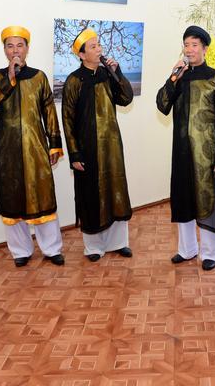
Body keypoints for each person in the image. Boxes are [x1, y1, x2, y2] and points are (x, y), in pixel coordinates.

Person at [0, 26, 65, 267]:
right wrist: (9, 78)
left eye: (20, 45)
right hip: (8, 151)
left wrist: (54, 145)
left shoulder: (39, 77)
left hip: (36, 149)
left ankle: (52, 249)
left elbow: (49, 112)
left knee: (43, 198)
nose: (15, 50)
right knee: (12, 200)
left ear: (27, 48)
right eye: (10, 46)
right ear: (5, 50)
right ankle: (20, 251)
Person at [156, 25, 215, 271]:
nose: (189, 50)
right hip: (181, 150)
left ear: (205, 49)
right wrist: (173, 78)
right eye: (186, 45)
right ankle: (187, 249)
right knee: (183, 198)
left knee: (207, 199)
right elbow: (162, 105)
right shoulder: (179, 78)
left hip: (207, 153)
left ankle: (211, 252)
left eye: (194, 45)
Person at [61, 27, 134, 262]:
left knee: (115, 192)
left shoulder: (107, 74)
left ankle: (119, 243)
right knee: (90, 194)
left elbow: (126, 98)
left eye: (99, 44)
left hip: (111, 147)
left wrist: (117, 72)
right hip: (87, 150)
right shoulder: (74, 81)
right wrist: (74, 153)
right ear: (82, 55)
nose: (99, 49)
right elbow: (67, 120)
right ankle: (93, 247)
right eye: (93, 47)